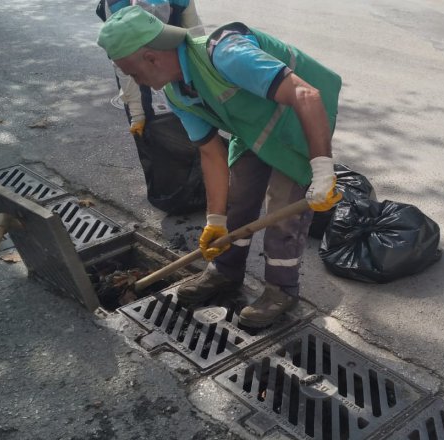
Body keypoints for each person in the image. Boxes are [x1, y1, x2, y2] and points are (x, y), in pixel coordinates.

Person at [97, 6, 342, 328]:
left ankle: (281, 291)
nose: (134, 81)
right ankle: (225, 272)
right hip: (252, 127)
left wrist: (323, 169)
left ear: (151, 58)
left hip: (299, 123)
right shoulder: (176, 94)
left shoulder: (226, 53)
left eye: (133, 73)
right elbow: (211, 154)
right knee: (238, 200)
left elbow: (306, 94)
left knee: (283, 214)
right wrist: (215, 220)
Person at [97, 0, 202, 136]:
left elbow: (195, 38)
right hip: (127, 35)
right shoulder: (116, 8)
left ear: (169, 9)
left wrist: (202, 87)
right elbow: (125, 71)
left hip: (171, 32)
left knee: (191, 96)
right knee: (143, 117)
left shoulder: (182, 2)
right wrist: (137, 114)